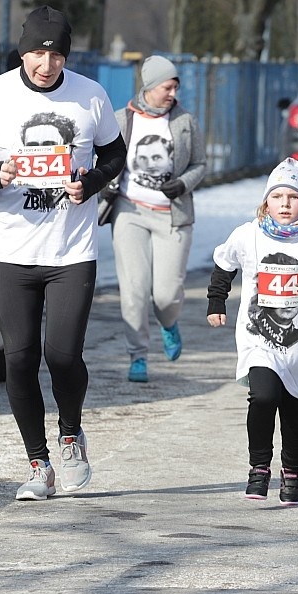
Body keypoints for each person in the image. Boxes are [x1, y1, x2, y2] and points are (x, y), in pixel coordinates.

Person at [0, 5, 127, 501]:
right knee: (20, 359)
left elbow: (116, 154)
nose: (45, 64)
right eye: (36, 53)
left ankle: (70, 435)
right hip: (13, 250)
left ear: (65, 55)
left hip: (72, 251)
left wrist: (90, 183)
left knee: (63, 356)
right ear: (23, 51)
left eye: (54, 54)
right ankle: (38, 464)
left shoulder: (90, 96)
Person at [206, 158, 298, 505]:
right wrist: (216, 302)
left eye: (293, 197)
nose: (285, 204)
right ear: (265, 202)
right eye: (277, 197)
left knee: (294, 409)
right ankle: (259, 467)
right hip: (258, 338)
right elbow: (224, 265)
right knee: (264, 396)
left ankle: (292, 470)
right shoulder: (248, 234)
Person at [103, 55, 207, 383]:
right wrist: (105, 184)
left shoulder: (185, 122)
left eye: (175, 87)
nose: (172, 93)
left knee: (165, 294)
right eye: (167, 87)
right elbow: (105, 159)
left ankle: (168, 321)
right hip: (130, 212)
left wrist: (182, 184)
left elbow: (201, 164)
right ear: (149, 87)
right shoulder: (123, 120)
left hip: (172, 217)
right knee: (133, 289)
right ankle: (138, 356)